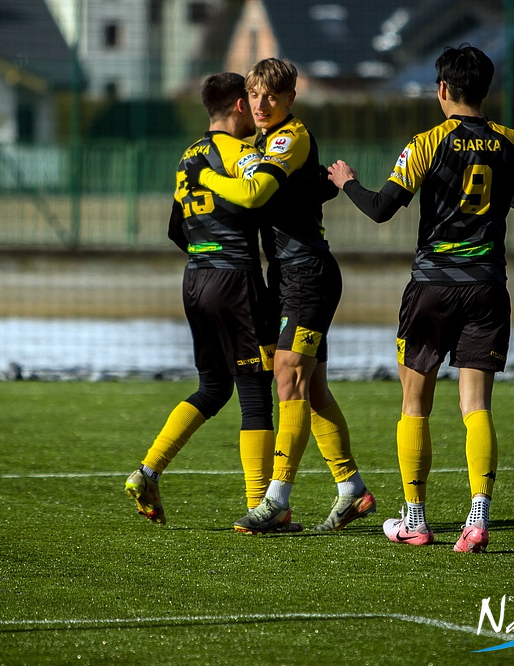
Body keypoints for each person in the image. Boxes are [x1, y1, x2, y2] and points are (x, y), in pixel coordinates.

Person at [327, 44, 514, 553]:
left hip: (431, 287)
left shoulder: (427, 143)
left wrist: (348, 182)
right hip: (486, 286)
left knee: (414, 405)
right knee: (476, 406)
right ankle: (477, 519)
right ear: (485, 89)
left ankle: (416, 520)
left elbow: (382, 208)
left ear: (442, 88)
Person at [189, 58, 376, 534]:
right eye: (254, 95)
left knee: (288, 375)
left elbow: (255, 194)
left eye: (272, 96)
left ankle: (276, 501)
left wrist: (205, 177)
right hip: (287, 275)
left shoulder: (287, 137)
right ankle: (352, 489)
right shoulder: (263, 141)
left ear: (291, 98)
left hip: (308, 273)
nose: (261, 104)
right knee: (313, 390)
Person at [125, 72, 281, 527]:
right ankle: (259, 506)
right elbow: (257, 196)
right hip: (235, 281)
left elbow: (176, 228)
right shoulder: (240, 152)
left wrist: (207, 253)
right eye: (251, 99)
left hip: (195, 278)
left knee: (213, 387)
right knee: (256, 391)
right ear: (239, 105)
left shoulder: (187, 156)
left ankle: (148, 471)